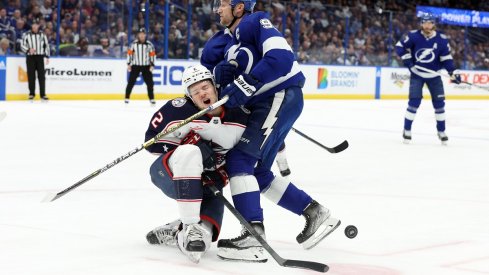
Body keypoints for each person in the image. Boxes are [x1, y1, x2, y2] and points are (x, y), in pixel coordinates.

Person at [212, 0, 340, 262]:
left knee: (240, 161)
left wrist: (249, 83)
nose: (217, 9)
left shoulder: (254, 21)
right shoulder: (230, 40)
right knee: (257, 173)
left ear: (239, 7)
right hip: (271, 102)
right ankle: (316, 214)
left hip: (277, 97)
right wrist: (221, 73)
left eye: (223, 3)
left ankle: (253, 236)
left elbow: (281, 58)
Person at [144, 65, 248, 263]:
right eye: (195, 91)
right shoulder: (178, 111)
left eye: (205, 87)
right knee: (190, 152)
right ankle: (190, 225)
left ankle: (179, 232)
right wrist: (186, 143)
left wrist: (218, 172)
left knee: (202, 240)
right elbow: (151, 143)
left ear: (215, 87)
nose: (202, 93)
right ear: (190, 97)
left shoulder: (239, 115)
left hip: (209, 184)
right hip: (168, 174)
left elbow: (250, 153)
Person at [200, 21, 293, 177]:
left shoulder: (253, 31)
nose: (220, 10)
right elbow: (204, 71)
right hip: (232, 95)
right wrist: (216, 72)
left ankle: (281, 159)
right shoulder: (217, 41)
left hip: (256, 91)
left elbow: (270, 61)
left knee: (269, 131)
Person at [396, 13, 461, 145]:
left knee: (439, 105)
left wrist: (453, 72)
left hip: (434, 76)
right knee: (414, 102)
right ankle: (406, 130)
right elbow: (399, 46)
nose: (427, 25)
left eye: (430, 23)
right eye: (425, 23)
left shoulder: (442, 40)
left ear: (434, 24)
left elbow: (446, 59)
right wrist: (408, 61)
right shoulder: (413, 35)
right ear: (421, 24)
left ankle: (441, 131)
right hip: (417, 74)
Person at [21, 18, 50, 101]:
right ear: (31, 26)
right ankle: (31, 94)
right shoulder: (26, 34)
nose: (34, 26)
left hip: (40, 57)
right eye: (33, 25)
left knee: (41, 76)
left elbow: (46, 45)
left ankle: (43, 94)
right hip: (30, 57)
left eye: (36, 25)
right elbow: (22, 45)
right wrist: (28, 50)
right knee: (31, 76)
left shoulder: (42, 35)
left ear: (38, 26)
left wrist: (47, 56)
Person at [125, 28, 156, 105]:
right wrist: (129, 64)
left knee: (150, 83)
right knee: (131, 82)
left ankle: (151, 99)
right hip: (136, 66)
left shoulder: (149, 45)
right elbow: (129, 54)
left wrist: (152, 65)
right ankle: (127, 97)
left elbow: (152, 55)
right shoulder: (133, 44)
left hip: (146, 66)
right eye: (140, 34)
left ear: (145, 35)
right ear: (138, 35)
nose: (142, 35)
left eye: (143, 34)